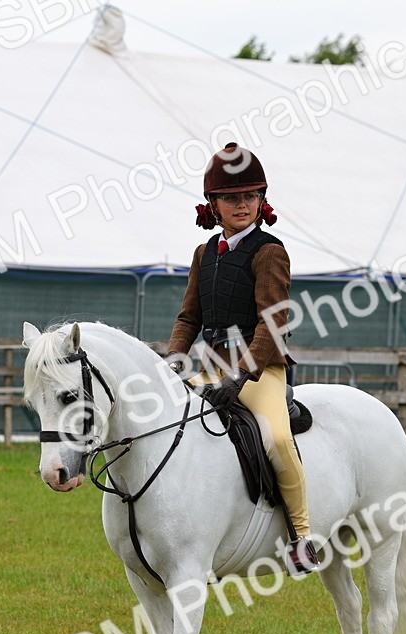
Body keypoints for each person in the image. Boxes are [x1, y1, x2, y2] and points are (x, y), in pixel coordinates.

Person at [166, 142, 319, 574]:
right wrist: (173, 360)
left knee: (276, 439)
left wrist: (241, 377)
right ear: (213, 203)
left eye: (250, 196)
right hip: (211, 369)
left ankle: (301, 537)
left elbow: (272, 323)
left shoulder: (270, 251)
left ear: (261, 200)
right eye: (232, 197)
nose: (242, 204)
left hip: (259, 370)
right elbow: (189, 315)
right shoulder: (203, 254)